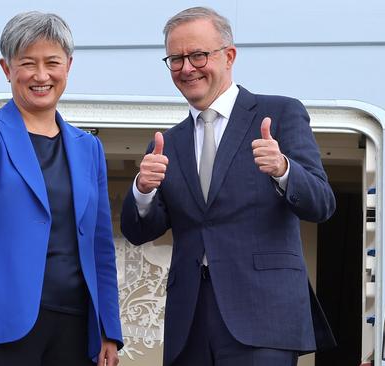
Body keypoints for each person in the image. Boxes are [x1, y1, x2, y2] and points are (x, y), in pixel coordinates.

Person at [120, 6, 336, 366]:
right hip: (189, 320)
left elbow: (322, 203)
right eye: (176, 59)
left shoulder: (279, 113)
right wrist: (142, 190)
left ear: (229, 56)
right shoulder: (167, 143)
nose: (187, 67)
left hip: (263, 315)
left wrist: (283, 169)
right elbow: (138, 230)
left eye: (198, 55)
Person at [0, 11, 122, 366]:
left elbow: (101, 246)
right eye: (28, 63)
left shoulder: (89, 149)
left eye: (52, 62)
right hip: (1, 323)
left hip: (76, 324)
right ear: (8, 69)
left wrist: (108, 330)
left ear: (68, 66)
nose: (41, 75)